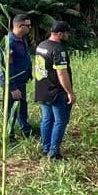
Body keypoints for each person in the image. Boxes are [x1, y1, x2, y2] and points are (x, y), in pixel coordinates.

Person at [33, 18, 77, 159]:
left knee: (47, 119)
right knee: (60, 121)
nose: (68, 36)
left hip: (42, 89)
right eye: (67, 33)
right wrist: (69, 92)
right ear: (59, 34)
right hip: (56, 91)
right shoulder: (58, 49)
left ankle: (45, 148)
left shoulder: (41, 45)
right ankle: (54, 152)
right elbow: (61, 73)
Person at [0, 14, 34, 142]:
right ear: (20, 26)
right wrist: (12, 87)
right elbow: (7, 67)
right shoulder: (9, 42)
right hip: (12, 83)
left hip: (21, 80)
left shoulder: (22, 39)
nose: (30, 28)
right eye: (28, 26)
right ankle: (9, 135)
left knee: (22, 107)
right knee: (10, 110)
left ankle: (25, 129)